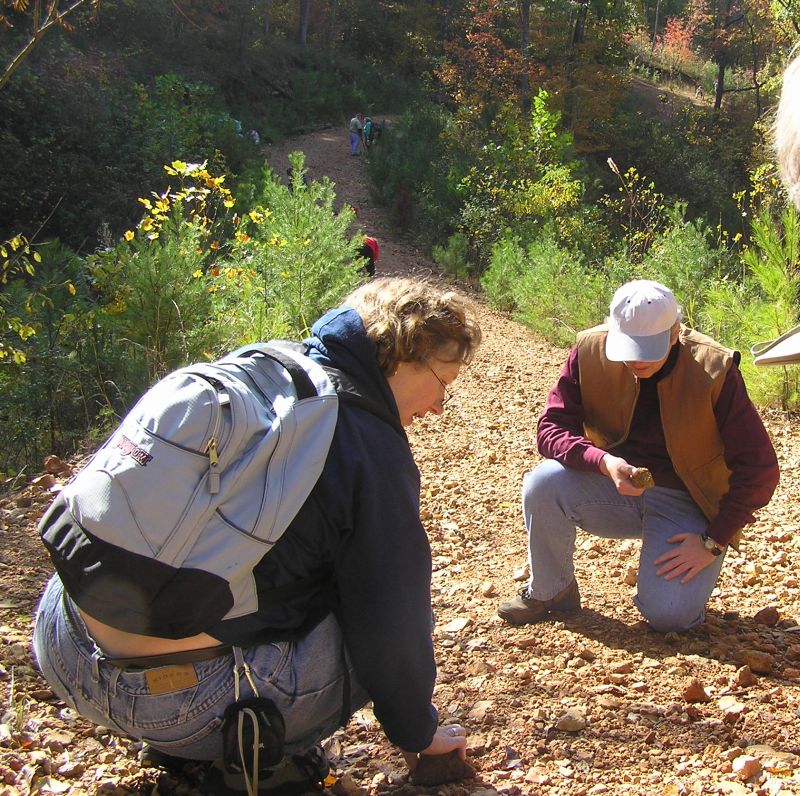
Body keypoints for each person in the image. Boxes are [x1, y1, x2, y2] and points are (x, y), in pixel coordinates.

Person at [33, 277, 481, 793]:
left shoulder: (268, 366)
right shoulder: (369, 443)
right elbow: (390, 624)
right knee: (398, 607)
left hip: (62, 647)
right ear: (407, 356)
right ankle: (244, 745)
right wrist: (419, 734)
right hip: (174, 705)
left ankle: (181, 723)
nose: (439, 406)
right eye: (444, 382)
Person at [498, 279, 779, 633]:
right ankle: (552, 590)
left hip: (688, 500)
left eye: (647, 349)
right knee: (543, 483)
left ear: (675, 333)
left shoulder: (714, 368)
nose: (634, 359)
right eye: (626, 346)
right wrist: (603, 462)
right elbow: (550, 429)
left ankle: (675, 584)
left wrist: (712, 540)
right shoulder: (589, 350)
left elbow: (761, 469)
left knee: (671, 618)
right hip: (614, 486)